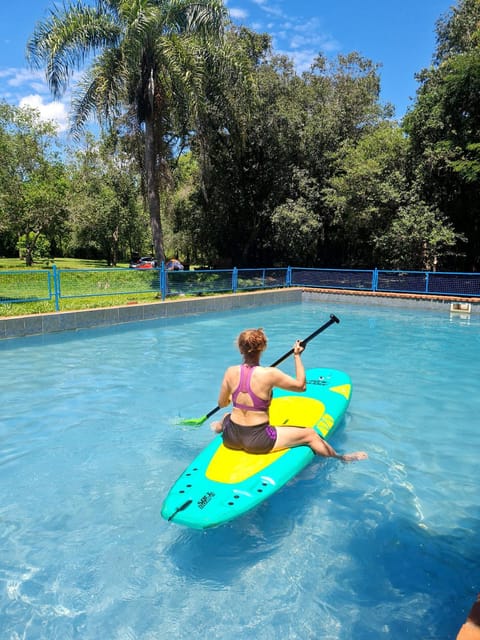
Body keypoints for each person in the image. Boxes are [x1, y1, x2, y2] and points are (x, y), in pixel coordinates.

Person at [211, 328, 368, 462]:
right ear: (263, 348)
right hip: (258, 440)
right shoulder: (270, 374)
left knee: (226, 416)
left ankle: (218, 427)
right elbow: (301, 386)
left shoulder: (230, 372)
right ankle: (342, 458)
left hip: (231, 437)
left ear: (240, 349)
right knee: (311, 435)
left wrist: (233, 397)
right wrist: (297, 356)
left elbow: (223, 402)